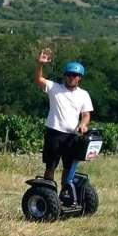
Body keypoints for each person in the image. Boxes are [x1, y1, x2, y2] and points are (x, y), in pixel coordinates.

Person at [33, 48, 93, 182]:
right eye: (69, 74)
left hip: (72, 135)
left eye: (75, 75)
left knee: (69, 167)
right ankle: (48, 192)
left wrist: (83, 125)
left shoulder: (83, 94)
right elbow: (38, 80)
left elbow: (86, 114)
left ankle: (64, 194)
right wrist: (40, 64)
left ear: (80, 78)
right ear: (65, 75)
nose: (72, 77)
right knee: (51, 166)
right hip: (54, 132)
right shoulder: (55, 88)